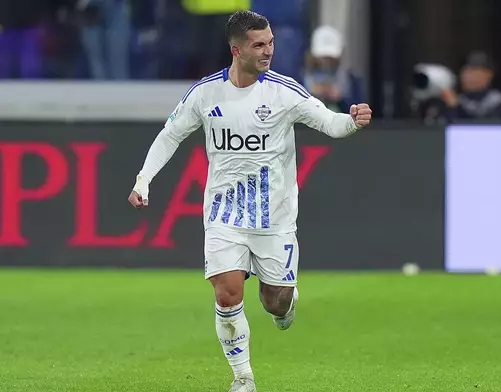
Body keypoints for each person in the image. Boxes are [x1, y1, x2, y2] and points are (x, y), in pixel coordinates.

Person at [127, 10, 372, 392]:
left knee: (274, 301)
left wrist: (352, 120)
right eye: (259, 44)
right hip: (224, 214)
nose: (269, 50)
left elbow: (329, 122)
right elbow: (169, 135)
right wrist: (144, 180)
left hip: (274, 217)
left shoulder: (284, 91)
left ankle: (285, 303)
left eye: (271, 42)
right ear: (236, 50)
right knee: (227, 292)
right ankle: (243, 379)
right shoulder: (205, 93)